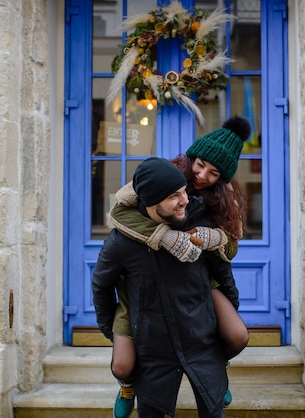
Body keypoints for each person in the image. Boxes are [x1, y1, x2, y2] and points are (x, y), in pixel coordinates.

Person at [108, 117, 252, 418]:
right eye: (200, 164)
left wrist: (215, 238)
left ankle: (215, 372)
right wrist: (165, 236)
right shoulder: (165, 174)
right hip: (148, 275)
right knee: (126, 361)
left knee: (237, 334)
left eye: (214, 173)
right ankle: (128, 386)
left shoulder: (226, 201)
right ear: (192, 156)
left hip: (197, 279)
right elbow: (118, 213)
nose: (202, 175)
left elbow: (231, 247)